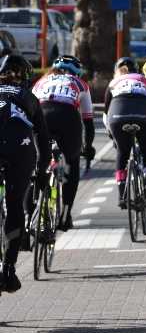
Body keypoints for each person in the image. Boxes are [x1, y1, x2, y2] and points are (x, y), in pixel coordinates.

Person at [0, 54, 51, 292]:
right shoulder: (29, 97)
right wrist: (41, 172)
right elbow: (42, 137)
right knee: (14, 204)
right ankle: (9, 269)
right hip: (18, 148)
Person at [31, 55, 95, 231]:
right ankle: (65, 215)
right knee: (72, 163)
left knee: (34, 161)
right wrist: (88, 148)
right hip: (68, 118)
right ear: (77, 72)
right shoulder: (80, 83)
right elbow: (88, 120)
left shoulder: (41, 81)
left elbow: (29, 107)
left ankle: (31, 209)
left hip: (42, 114)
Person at [104, 57, 146, 209]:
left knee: (122, 152)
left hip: (117, 117)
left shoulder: (113, 83)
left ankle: (121, 194)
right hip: (143, 115)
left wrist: (112, 135)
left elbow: (106, 114)